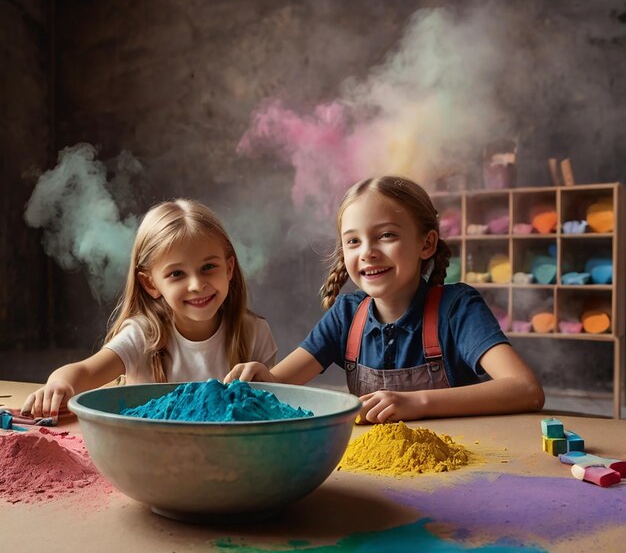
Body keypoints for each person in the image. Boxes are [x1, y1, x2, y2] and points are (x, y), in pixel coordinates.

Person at [225, 176, 544, 423]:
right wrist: (260, 377)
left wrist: (417, 403)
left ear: (427, 244)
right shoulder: (346, 316)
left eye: (386, 235)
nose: (368, 252)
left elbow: (525, 389)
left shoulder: (457, 308)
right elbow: (278, 385)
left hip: (459, 470)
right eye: (353, 241)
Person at [23, 199, 277, 418]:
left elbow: (272, 410)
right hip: (150, 459)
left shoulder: (254, 332)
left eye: (208, 267)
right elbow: (86, 371)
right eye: (177, 274)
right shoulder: (142, 335)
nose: (197, 285)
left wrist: (269, 381)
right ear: (150, 283)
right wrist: (59, 384)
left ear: (229, 268)